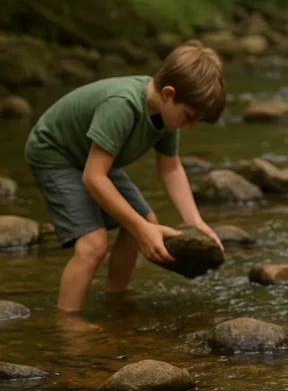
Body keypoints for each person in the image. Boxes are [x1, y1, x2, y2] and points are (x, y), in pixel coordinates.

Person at [24, 40, 226, 312]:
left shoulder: (168, 115)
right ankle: (68, 325)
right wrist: (142, 229)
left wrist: (195, 221)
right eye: (188, 116)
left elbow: (171, 169)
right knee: (94, 245)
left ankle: (115, 298)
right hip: (56, 153)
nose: (188, 125)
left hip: (90, 155)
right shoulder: (122, 105)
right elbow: (93, 178)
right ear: (168, 93)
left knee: (142, 222)